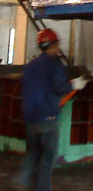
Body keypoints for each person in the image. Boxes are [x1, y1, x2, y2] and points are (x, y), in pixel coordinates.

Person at [13, 29, 87, 191]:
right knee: (47, 158)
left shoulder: (30, 66)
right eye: (56, 45)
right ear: (52, 45)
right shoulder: (54, 65)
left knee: (33, 153)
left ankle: (22, 178)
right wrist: (76, 84)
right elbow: (60, 87)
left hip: (30, 118)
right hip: (48, 118)